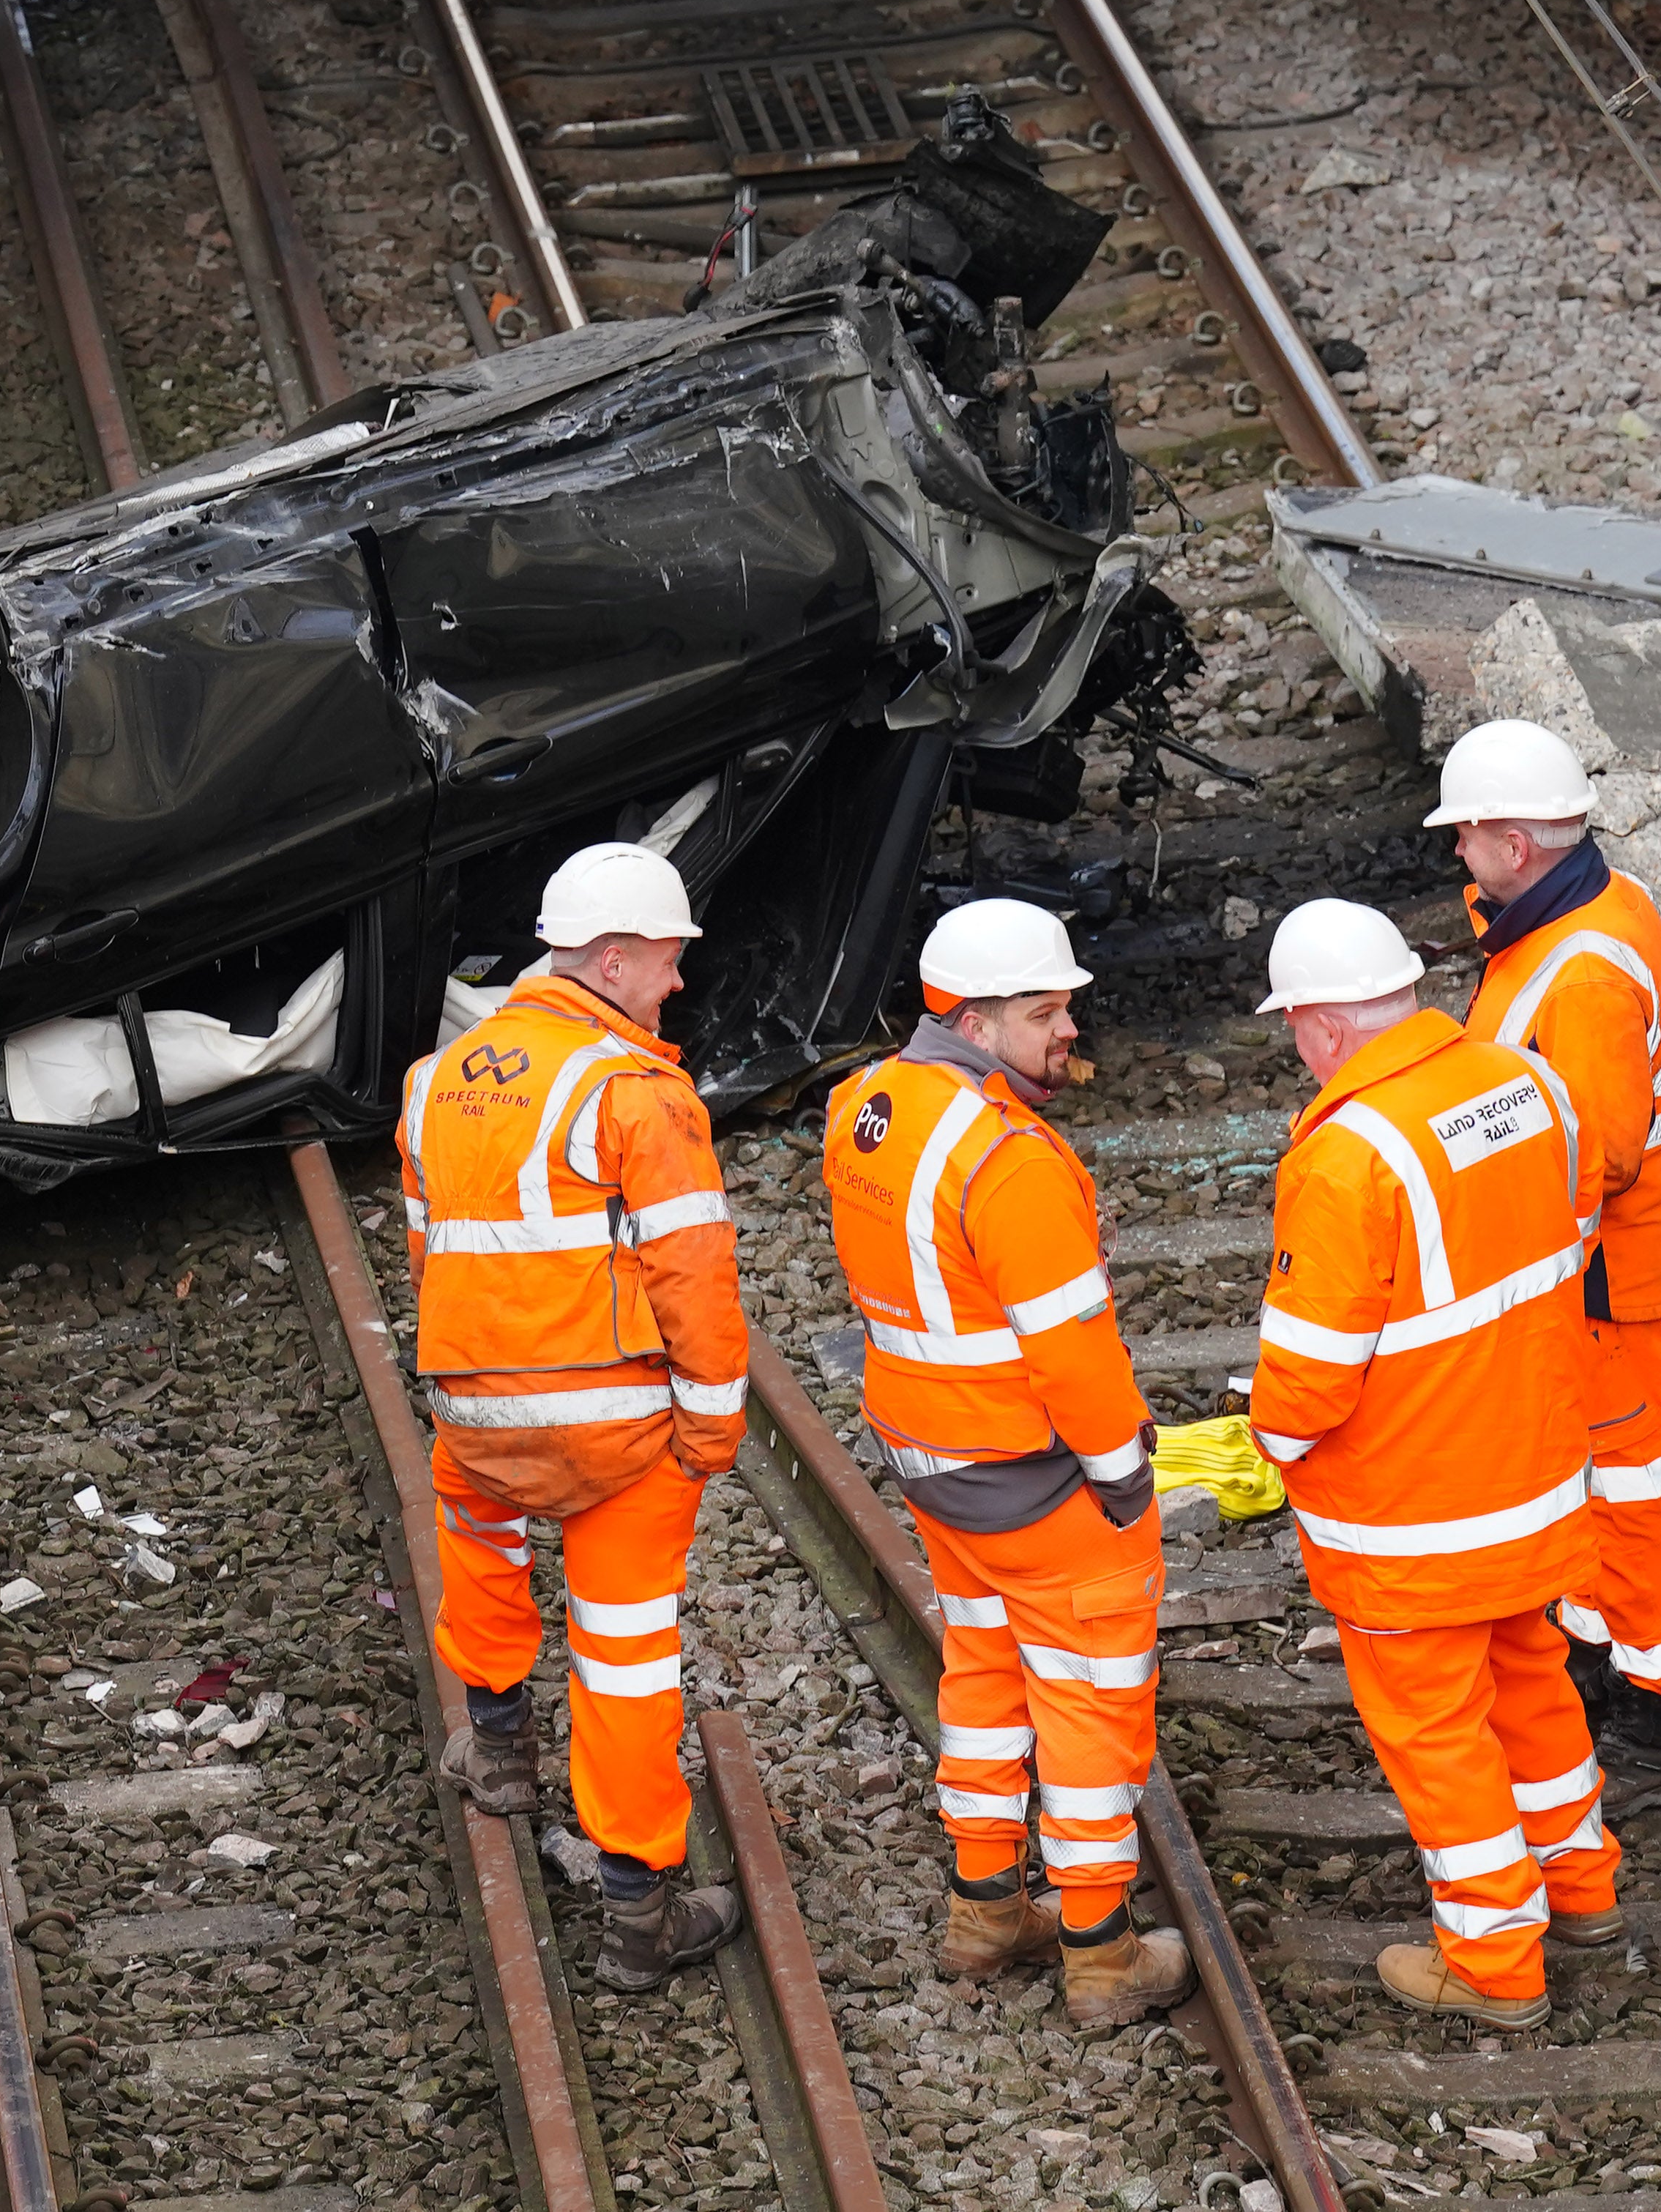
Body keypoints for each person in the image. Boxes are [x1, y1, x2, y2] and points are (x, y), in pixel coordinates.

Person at [819, 899, 1192, 2030]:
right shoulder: (1011, 1159)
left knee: (983, 1670)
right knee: (1088, 1701)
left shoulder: (868, 1108)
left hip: (934, 1464)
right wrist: (1125, 1469)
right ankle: (1100, 1947)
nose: (1068, 1027)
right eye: (1044, 1012)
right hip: (1037, 1477)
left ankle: (985, 1906)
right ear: (973, 1023)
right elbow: (1074, 1351)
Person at [1251, 898, 1624, 2027]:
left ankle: (1495, 1958)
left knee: (1438, 1733)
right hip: (1534, 1479)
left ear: (1318, 1025)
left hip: (1415, 1517)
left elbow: (1310, 1374)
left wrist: (1262, 1442)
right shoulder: (1527, 1086)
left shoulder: (1349, 1153)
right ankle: (1581, 1884)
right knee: (1531, 1682)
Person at [398, 841, 750, 1992]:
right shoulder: (636, 1097)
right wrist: (709, 1429)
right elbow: (695, 1280)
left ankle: (498, 1753)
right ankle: (638, 1912)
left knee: (483, 1544)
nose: (677, 984)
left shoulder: (433, 1082)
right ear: (608, 959)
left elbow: (425, 1250)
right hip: (615, 1439)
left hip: (476, 1416)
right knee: (628, 1655)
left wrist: (474, 1389)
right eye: (664, 960)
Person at [1426, 719, 1661, 1804]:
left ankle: (1660, 1718)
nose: (1457, 855)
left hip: (1602, 1279)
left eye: (1468, 838)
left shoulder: (1582, 974)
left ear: (1516, 841)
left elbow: (1598, 1155)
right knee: (1594, 1477)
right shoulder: (1590, 901)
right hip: (1605, 1272)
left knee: (1628, 1489)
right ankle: (1595, 1653)